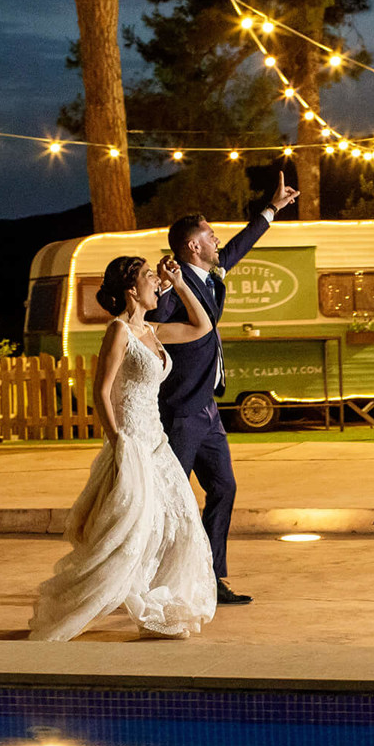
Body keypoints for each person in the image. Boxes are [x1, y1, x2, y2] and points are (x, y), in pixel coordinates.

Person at [28, 254, 217, 641]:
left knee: (181, 522)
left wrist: (179, 283)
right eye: (150, 277)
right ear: (132, 290)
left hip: (157, 441)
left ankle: (161, 604)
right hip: (131, 440)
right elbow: (101, 391)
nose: (155, 282)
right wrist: (119, 443)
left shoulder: (155, 331)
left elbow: (203, 325)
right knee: (132, 532)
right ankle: (97, 603)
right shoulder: (119, 332)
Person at [151, 173, 301, 605]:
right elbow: (156, 320)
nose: (218, 241)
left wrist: (271, 209)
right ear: (192, 245)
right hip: (180, 409)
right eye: (210, 236)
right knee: (173, 498)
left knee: (224, 489)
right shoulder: (174, 287)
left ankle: (213, 579)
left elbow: (238, 246)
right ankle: (161, 579)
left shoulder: (211, 276)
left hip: (209, 411)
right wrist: (164, 285)